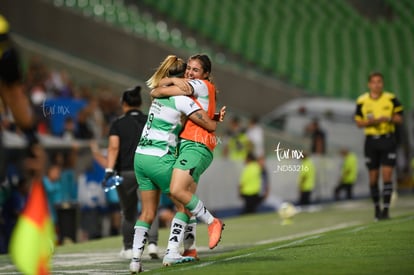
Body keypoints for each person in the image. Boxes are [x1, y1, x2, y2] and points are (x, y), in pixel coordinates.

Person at [130, 55, 225, 273]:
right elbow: (208, 123)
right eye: (187, 70)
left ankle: (136, 260)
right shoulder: (184, 98)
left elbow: (156, 90)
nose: (190, 75)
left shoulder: (185, 90)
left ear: (206, 74)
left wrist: (165, 83)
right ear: (181, 74)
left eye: (195, 70)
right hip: (172, 151)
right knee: (183, 199)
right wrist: (214, 118)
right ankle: (185, 245)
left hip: (145, 155)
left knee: (154, 208)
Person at [100, 86, 160, 259]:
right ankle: (153, 244)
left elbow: (113, 147)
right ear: (140, 104)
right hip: (148, 169)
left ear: (123, 104)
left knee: (128, 211)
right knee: (150, 208)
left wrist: (109, 170)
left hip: (125, 171)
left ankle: (128, 248)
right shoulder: (151, 119)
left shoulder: (117, 123)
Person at [354, 72, 403, 220]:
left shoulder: (391, 99)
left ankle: (386, 211)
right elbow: (358, 122)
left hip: (387, 139)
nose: (377, 85)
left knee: (387, 174)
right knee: (373, 177)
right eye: (374, 82)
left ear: (382, 83)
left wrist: (387, 118)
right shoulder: (362, 100)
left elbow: (399, 118)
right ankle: (376, 208)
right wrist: (372, 122)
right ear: (369, 84)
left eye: (379, 82)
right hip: (371, 141)